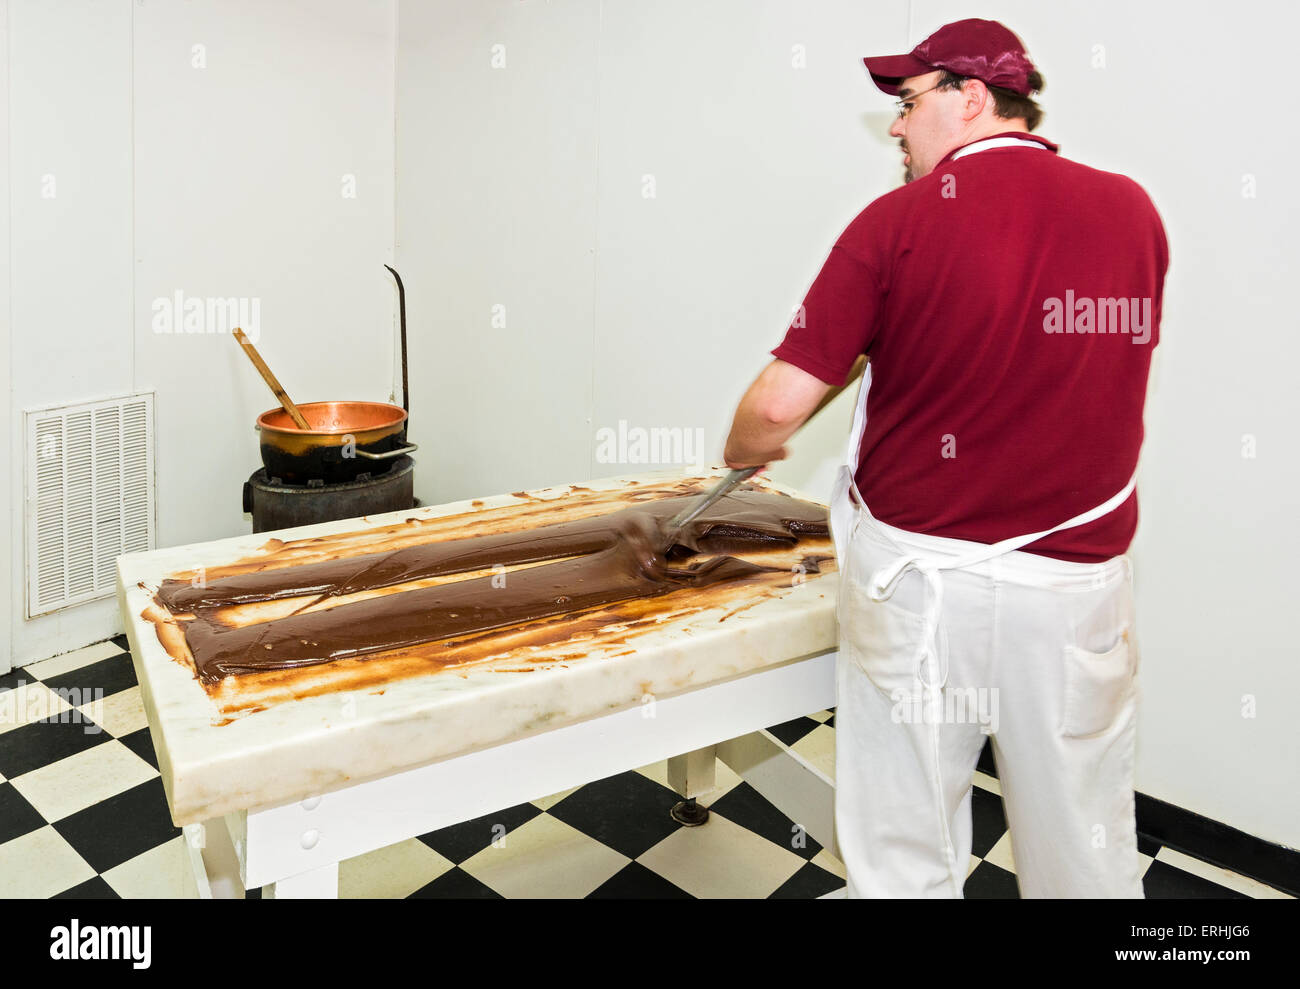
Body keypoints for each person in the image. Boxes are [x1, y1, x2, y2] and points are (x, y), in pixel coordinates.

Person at [721, 18, 1168, 898]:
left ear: (971, 100)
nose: (894, 125)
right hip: (1073, 593)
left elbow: (778, 407)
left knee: (903, 844)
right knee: (1085, 839)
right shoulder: (1133, 210)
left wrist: (743, 454)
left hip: (920, 590)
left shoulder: (895, 223)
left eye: (907, 101)